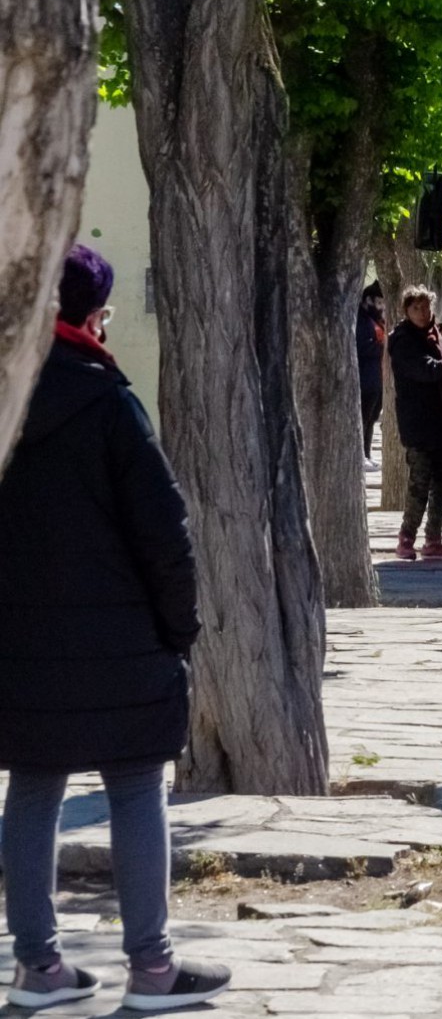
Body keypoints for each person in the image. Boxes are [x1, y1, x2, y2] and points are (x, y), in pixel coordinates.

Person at [0, 246, 232, 1011]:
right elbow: (165, 532)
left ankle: (38, 970)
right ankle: (153, 970)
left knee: (33, 792)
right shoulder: (106, 402)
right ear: (89, 314)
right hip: (124, 644)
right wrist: (181, 630)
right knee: (136, 789)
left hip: (22, 650)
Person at [387, 285, 442, 562]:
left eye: (425, 307)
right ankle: (406, 539)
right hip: (419, 424)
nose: (422, 312)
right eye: (416, 308)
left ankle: (434, 540)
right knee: (420, 484)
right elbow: (428, 370)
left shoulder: (435, 333)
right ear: (406, 311)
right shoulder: (403, 340)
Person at [356, 282, 386, 471]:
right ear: (368, 300)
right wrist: (382, 347)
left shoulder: (376, 320)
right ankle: (360, 455)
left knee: (372, 418)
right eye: (379, 302)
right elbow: (362, 347)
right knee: (363, 418)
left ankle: (367, 454)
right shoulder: (361, 320)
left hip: (377, 377)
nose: (382, 306)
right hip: (365, 378)